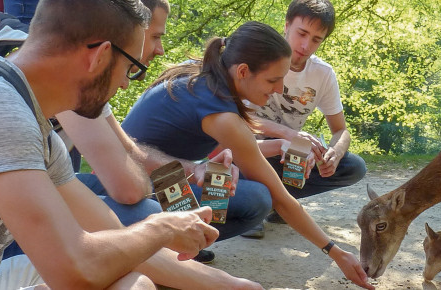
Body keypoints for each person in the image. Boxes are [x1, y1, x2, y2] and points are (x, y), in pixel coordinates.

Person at [0, 0, 260, 288]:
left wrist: (233, 286)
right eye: (131, 69)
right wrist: (162, 228)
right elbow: (76, 270)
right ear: (100, 55)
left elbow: (113, 234)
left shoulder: (36, 125)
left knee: (129, 278)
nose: (127, 83)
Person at [121, 21, 375, 289]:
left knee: (228, 182)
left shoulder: (203, 77)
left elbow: (238, 149)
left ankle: (177, 249)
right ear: (243, 71)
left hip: (149, 178)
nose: (279, 89)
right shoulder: (221, 114)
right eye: (273, 80)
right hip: (136, 190)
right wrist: (336, 252)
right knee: (256, 199)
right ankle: (167, 254)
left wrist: (278, 145)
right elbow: (283, 200)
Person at [247, 0, 366, 229]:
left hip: (290, 151)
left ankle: (279, 203)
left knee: (354, 167)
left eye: (316, 39)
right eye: (302, 33)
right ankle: (253, 206)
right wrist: (289, 134)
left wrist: (335, 153)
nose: (305, 45)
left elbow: (341, 130)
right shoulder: (257, 59)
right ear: (287, 25)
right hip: (253, 147)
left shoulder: (322, 74)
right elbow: (234, 119)